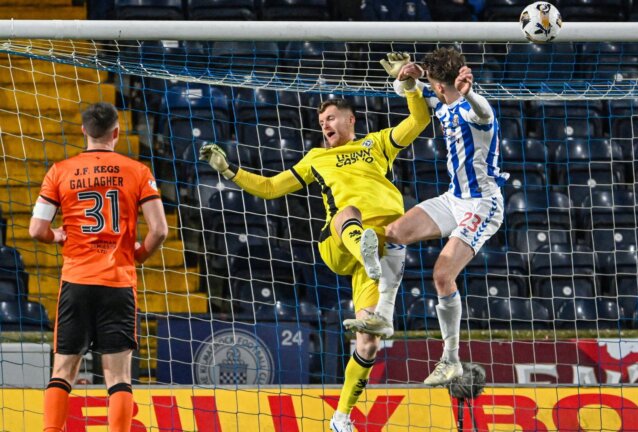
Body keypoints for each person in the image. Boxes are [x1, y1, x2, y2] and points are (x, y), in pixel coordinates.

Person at [199, 56, 430, 432]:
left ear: (351, 120)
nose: (325, 125)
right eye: (321, 122)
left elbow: (419, 120)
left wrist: (410, 86)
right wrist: (229, 170)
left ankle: (340, 418)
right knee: (347, 212)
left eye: (331, 119)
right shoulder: (316, 158)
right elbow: (272, 187)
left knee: (368, 342)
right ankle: (364, 248)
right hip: (340, 242)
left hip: (383, 245)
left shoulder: (377, 144)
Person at [344, 47, 506, 386]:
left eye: (431, 83)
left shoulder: (475, 107)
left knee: (442, 276)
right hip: (454, 197)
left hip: (482, 204)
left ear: (441, 85)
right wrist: (407, 77)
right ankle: (383, 317)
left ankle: (451, 360)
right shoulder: (442, 103)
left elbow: (482, 112)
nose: (430, 88)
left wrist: (470, 93)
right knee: (394, 232)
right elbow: (409, 95)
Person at [30, 102, 168, 432]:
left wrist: (57, 236)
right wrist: (140, 255)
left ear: (84, 132)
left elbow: (36, 230)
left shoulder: (59, 170)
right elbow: (160, 229)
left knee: (62, 372)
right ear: (117, 133)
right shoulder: (138, 171)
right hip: (118, 282)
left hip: (76, 281)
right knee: (118, 377)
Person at [360, 0, 432, 21]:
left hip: (412, 54)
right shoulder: (371, 2)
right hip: (379, 55)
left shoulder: (417, 2)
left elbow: (427, 35)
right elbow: (371, 37)